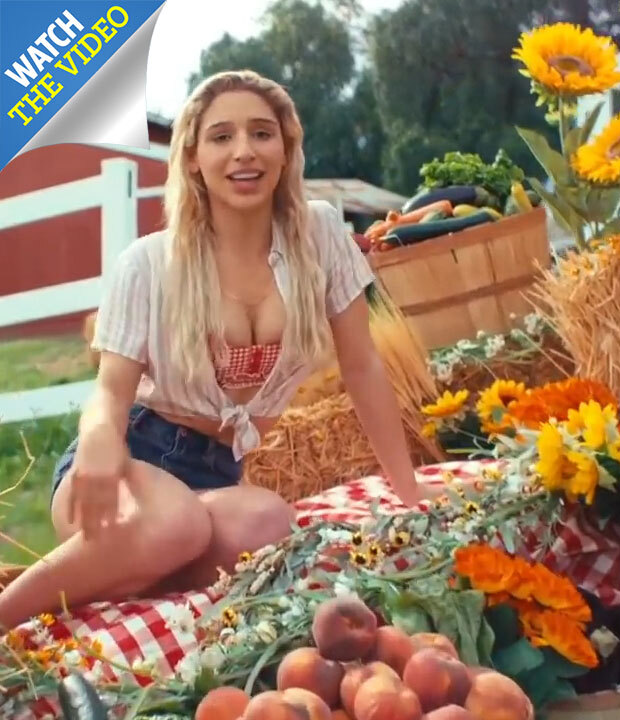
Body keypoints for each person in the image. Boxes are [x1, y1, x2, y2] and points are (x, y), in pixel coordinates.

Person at [0, 69, 424, 629]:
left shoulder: (320, 236)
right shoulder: (150, 262)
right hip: (125, 466)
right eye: (222, 137)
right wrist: (101, 442)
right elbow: (109, 391)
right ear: (194, 157)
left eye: (261, 133)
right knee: (178, 524)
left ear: (286, 146)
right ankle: (9, 613)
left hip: (215, 477)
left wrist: (410, 494)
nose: (244, 152)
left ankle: (125, 574)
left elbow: (362, 365)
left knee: (271, 524)